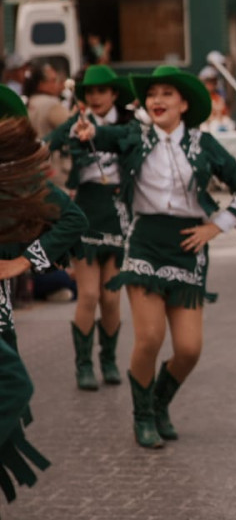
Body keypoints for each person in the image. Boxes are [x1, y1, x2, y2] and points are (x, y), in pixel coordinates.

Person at [74, 65, 236, 449]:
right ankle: (142, 416)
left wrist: (216, 226)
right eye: (152, 94)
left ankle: (158, 402)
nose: (157, 100)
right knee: (149, 337)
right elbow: (102, 135)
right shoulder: (133, 136)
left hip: (189, 248)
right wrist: (89, 132)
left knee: (190, 349)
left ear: (183, 104)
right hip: (144, 242)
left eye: (166, 94)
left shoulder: (204, 144)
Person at [0, 87, 87, 502]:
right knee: (12, 384)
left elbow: (72, 219)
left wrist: (24, 261)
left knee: (10, 391)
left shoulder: (18, 182)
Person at [46, 65, 135, 390]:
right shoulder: (76, 123)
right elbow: (46, 144)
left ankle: (108, 360)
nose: (95, 97)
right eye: (90, 92)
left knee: (111, 298)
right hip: (85, 213)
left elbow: (132, 143)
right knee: (88, 294)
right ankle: (83, 366)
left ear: (114, 94)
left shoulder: (129, 125)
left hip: (117, 213)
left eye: (102, 91)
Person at [24, 60, 69, 140]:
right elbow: (70, 125)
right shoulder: (51, 103)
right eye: (53, 80)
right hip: (50, 151)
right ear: (41, 84)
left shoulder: (30, 101)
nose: (57, 84)